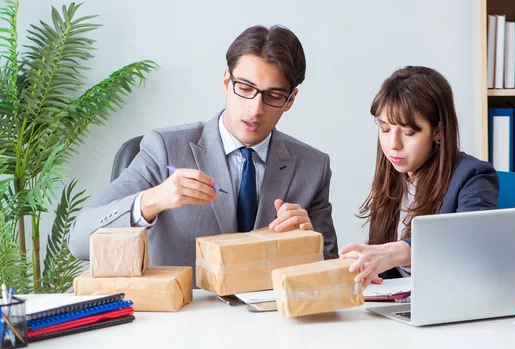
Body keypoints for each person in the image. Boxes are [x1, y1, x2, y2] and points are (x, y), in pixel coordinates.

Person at [68, 25, 338, 270]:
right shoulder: (164, 148)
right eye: (245, 88)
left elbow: (330, 271)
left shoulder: (312, 166)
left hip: (273, 318)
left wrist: (308, 239)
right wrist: (154, 199)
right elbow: (79, 240)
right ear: (225, 83)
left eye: (274, 96)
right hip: (185, 315)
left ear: (290, 100)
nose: (255, 109)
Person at [340, 66, 498, 288]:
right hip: (395, 307)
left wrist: (399, 251)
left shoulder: (473, 176)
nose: (393, 144)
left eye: (408, 133)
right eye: (385, 129)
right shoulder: (394, 175)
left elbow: (471, 242)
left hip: (449, 304)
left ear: (437, 130)